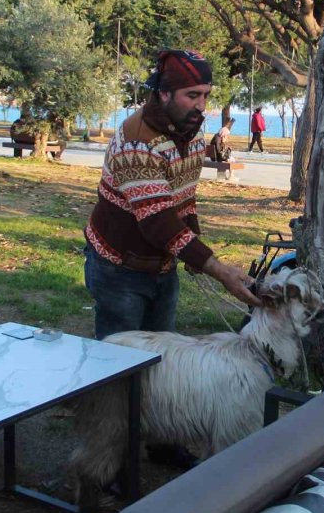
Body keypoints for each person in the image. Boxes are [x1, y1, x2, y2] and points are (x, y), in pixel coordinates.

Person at [83, 49, 261, 342]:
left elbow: (184, 198)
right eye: (192, 95)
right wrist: (220, 271)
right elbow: (158, 221)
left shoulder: (192, 131)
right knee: (118, 363)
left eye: (206, 95)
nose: (201, 106)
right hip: (118, 269)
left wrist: (194, 249)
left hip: (163, 266)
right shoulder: (136, 141)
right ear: (164, 93)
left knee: (160, 359)